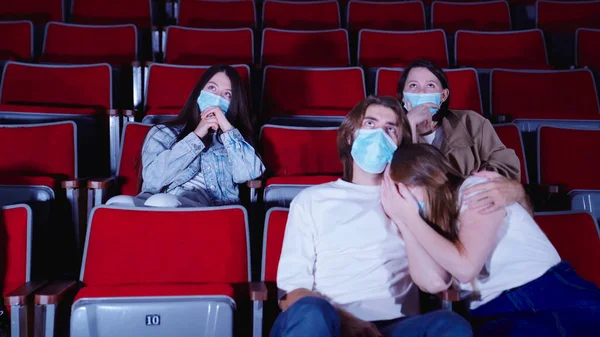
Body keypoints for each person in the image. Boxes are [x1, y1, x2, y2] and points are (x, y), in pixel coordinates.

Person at [273, 96, 472, 337]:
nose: (380, 134)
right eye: (370, 124)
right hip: (327, 323)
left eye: (390, 129)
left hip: (393, 326)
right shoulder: (312, 200)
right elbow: (290, 293)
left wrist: (405, 215)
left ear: (399, 144)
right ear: (350, 136)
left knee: (451, 324)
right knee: (311, 312)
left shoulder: (413, 199)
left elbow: (434, 281)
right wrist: (349, 323)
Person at [382, 143, 600, 337]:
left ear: (424, 177)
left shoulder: (474, 189)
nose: (401, 200)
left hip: (543, 293)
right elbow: (434, 282)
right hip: (491, 310)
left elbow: (466, 267)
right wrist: (405, 222)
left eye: (401, 191)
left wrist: (410, 217)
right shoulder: (428, 224)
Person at [107, 64, 264, 207]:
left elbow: (250, 173)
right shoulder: (163, 132)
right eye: (212, 88)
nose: (217, 98)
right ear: (199, 92)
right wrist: (196, 135)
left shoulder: (234, 141)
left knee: (162, 202)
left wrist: (227, 128)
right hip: (155, 197)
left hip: (204, 206)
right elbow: (153, 180)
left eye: (227, 94)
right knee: (117, 202)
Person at [396, 59, 532, 216]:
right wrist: (410, 125)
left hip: (473, 209)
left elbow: (507, 167)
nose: (421, 92)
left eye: (430, 86)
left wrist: (466, 188)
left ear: (443, 95)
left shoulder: (471, 122)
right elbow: (402, 180)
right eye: (413, 86)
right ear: (403, 96)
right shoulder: (392, 129)